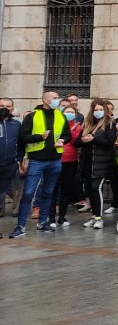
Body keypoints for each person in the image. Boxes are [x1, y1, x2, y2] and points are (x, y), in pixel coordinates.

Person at [11, 92, 72, 238]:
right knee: (28, 193)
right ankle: (20, 226)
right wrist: (39, 137)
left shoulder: (60, 115)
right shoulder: (32, 116)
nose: (57, 100)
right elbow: (23, 136)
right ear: (45, 100)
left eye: (58, 98)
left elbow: (67, 134)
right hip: (37, 160)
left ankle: (43, 222)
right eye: (55, 98)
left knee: (48, 193)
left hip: (55, 160)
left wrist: (62, 141)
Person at [79, 100, 117, 230]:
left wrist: (94, 138)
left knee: (96, 188)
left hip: (102, 163)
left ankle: (99, 218)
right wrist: (83, 140)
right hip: (88, 162)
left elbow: (110, 141)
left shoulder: (110, 123)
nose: (98, 112)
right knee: (89, 190)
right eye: (95, 109)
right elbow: (78, 140)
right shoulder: (88, 123)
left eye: (100, 109)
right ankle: (94, 216)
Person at [48, 104, 82, 227]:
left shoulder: (78, 127)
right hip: (56, 159)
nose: (70, 114)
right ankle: (51, 216)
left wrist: (72, 131)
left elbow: (76, 142)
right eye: (67, 111)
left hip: (71, 160)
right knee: (53, 189)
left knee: (66, 189)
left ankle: (62, 216)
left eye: (72, 112)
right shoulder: (57, 123)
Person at [0, 98, 23, 236]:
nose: (4, 108)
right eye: (1, 105)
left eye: (8, 106)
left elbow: (21, 144)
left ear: (12, 108)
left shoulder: (16, 124)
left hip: (9, 165)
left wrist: (19, 160)